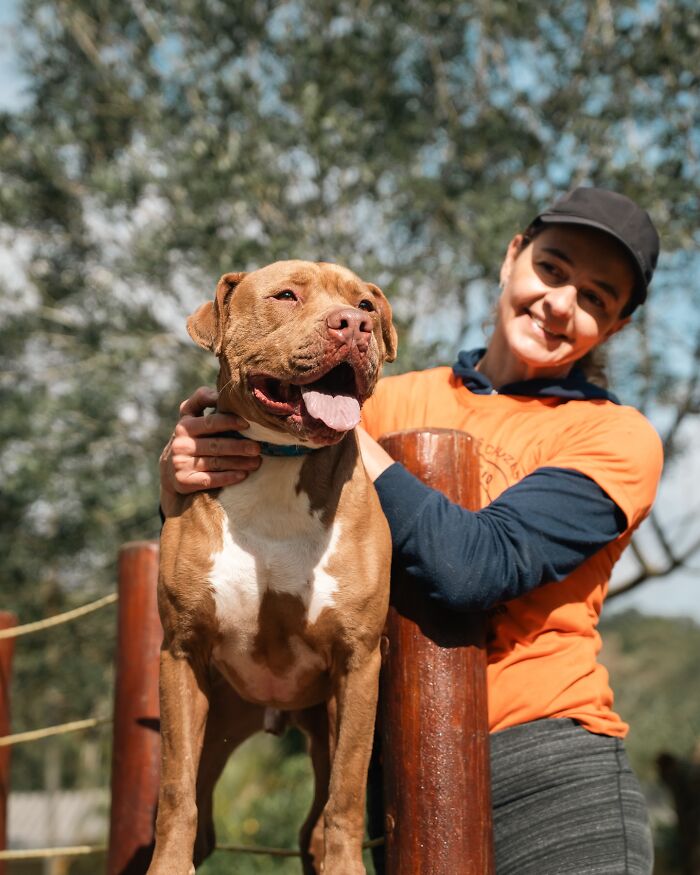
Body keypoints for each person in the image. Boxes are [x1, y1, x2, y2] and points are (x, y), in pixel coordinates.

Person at [160, 187, 663, 874]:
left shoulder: (617, 437)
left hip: (548, 768)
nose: (560, 302)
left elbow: (474, 567)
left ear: (617, 326)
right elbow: (247, 532)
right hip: (400, 771)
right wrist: (186, 469)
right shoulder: (391, 400)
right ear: (513, 257)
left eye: (596, 297)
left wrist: (339, 430)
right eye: (552, 268)